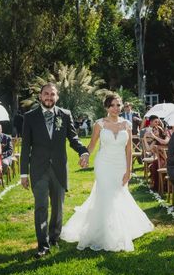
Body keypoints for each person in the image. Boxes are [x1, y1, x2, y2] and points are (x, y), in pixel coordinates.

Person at [61, 93, 154, 251]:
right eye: (112, 105)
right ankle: (104, 232)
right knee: (105, 195)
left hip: (120, 165)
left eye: (118, 105)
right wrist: (85, 156)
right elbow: (91, 145)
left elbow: (129, 149)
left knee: (118, 195)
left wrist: (129, 170)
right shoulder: (99, 124)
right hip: (103, 164)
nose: (116, 108)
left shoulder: (127, 124)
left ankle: (118, 229)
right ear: (106, 107)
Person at [20, 83, 89, 258]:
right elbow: (26, 146)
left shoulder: (65, 115)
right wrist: (23, 173)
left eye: (52, 94)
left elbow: (73, 138)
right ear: (40, 96)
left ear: (57, 97)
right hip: (38, 169)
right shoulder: (30, 117)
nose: (49, 97)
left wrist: (83, 150)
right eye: (46, 94)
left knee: (58, 207)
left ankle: (54, 238)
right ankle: (42, 244)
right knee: (41, 206)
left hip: (59, 168)